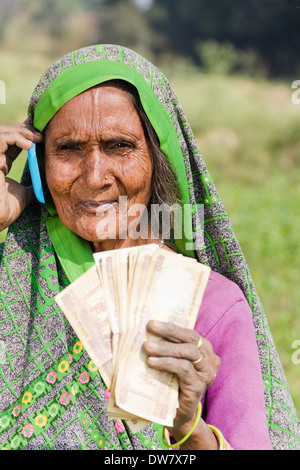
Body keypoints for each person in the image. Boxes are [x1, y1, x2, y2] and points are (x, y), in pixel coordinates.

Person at [0, 44, 298, 451]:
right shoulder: (16, 272)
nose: (95, 176)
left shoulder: (213, 306)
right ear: (37, 163)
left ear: (159, 157)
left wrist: (188, 427)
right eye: (68, 149)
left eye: (119, 146)